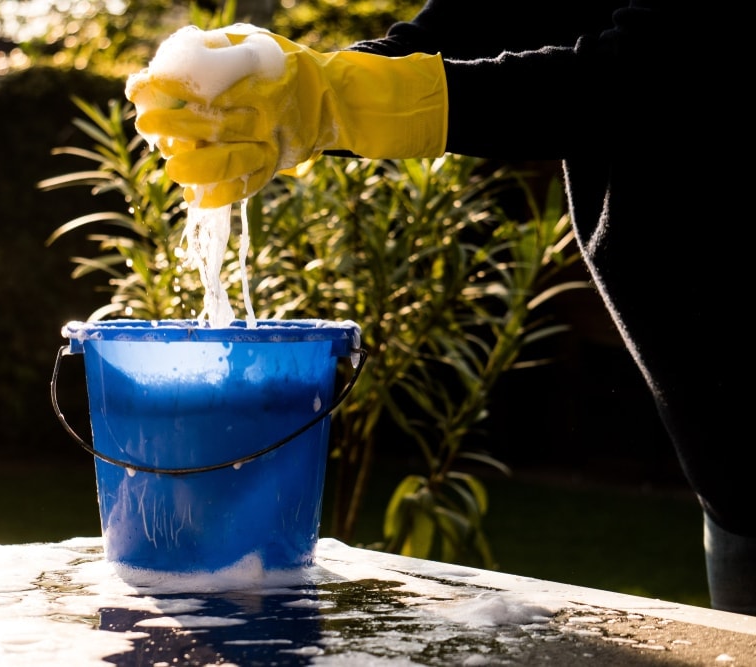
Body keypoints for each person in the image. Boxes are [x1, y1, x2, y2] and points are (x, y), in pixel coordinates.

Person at [126, 1, 754, 616]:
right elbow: (469, 26)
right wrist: (288, 84)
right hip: (730, 478)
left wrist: (340, 103)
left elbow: (655, 70)